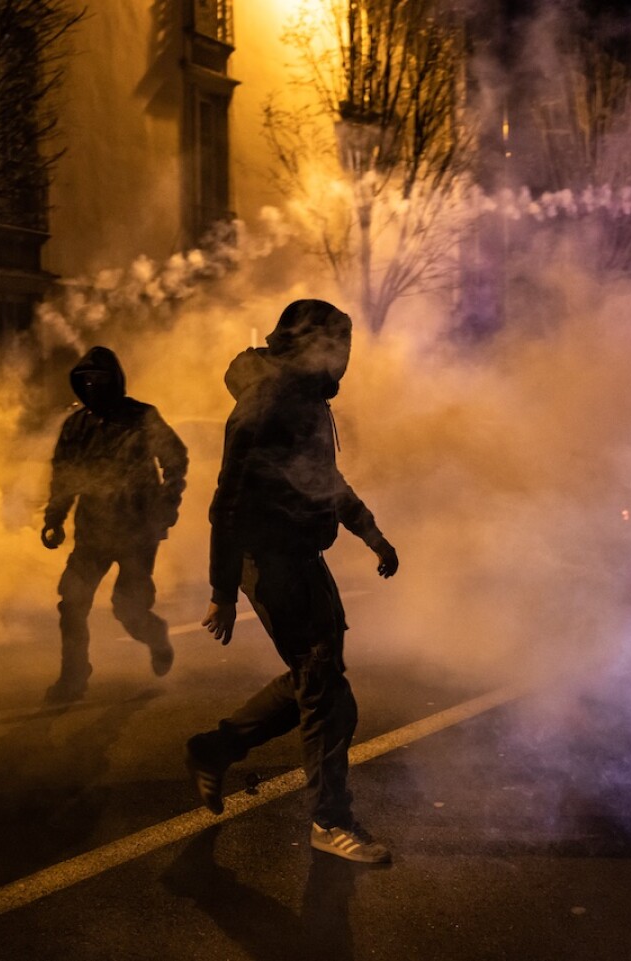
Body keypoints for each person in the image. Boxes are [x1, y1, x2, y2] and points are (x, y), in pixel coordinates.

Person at [184, 299, 400, 864]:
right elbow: (226, 503)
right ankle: (330, 821)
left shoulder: (302, 401)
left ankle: (217, 748)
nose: (344, 359)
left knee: (321, 683)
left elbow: (324, 480)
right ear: (308, 346)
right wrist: (223, 591)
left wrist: (371, 534)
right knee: (324, 685)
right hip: (272, 560)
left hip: (303, 555)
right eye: (336, 346)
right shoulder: (267, 403)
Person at [40, 346, 188, 703]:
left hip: (137, 530)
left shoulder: (142, 417)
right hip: (92, 529)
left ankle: (155, 636)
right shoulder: (76, 425)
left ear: (115, 380)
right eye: (86, 380)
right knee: (72, 603)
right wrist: (54, 518)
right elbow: (64, 475)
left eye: (100, 379)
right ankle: (73, 676)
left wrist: (167, 503)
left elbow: (175, 458)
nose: (92, 386)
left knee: (128, 607)